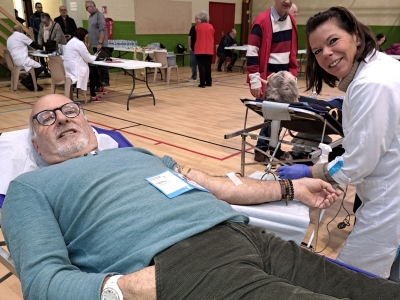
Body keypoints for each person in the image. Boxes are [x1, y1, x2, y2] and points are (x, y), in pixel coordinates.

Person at [4, 95, 400, 300]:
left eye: (70, 109)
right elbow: (42, 282)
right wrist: (130, 288)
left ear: (88, 122)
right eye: (45, 118)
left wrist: (291, 187)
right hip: (180, 263)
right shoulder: (30, 188)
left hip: (246, 236)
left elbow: (218, 185)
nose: (61, 118)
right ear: (37, 147)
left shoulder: (135, 154)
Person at [277, 6, 400, 279]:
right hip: (387, 187)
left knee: (353, 280)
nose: (326, 54)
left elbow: (359, 162)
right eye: (318, 51)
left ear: (356, 35)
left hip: (391, 199)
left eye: (333, 41)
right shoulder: (377, 69)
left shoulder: (373, 83)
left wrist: (311, 171)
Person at [246, 0, 298, 162]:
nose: (287, 1)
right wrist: (254, 80)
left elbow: (292, 51)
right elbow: (252, 52)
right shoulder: (261, 21)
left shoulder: (292, 21)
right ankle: (261, 149)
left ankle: (274, 148)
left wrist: (292, 77)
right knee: (270, 115)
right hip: (267, 79)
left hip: (285, 78)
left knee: (280, 116)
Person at [63, 27, 108, 103]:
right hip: (76, 70)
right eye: (86, 37)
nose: (86, 39)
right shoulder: (79, 44)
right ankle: (93, 95)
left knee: (93, 70)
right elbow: (88, 59)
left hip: (69, 70)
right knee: (94, 71)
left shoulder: (71, 41)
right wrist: (95, 56)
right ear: (82, 36)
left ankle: (99, 87)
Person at [6, 25, 44, 91]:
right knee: (41, 67)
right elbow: (34, 45)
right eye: (22, 29)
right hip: (22, 60)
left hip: (15, 62)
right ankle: (28, 81)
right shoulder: (21, 35)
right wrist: (42, 46)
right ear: (20, 29)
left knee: (35, 65)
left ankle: (30, 82)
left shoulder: (9, 38)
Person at [86, 1, 110, 87]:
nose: (86, 10)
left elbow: (102, 30)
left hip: (101, 44)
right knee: (98, 63)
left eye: (86, 8)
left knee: (102, 63)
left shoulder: (99, 15)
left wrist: (100, 42)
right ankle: (99, 80)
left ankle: (105, 80)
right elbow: (91, 31)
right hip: (94, 44)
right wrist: (90, 42)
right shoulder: (90, 17)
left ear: (91, 7)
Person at [194, 10, 214, 88]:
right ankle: (209, 82)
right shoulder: (211, 26)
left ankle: (202, 83)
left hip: (200, 49)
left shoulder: (197, 27)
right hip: (209, 49)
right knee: (208, 66)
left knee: (201, 66)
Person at [187, 14, 200, 82]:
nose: (197, 20)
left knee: (201, 64)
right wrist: (189, 47)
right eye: (196, 19)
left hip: (200, 49)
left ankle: (203, 78)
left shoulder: (202, 28)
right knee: (193, 63)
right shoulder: (193, 28)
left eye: (198, 19)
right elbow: (189, 37)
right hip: (193, 49)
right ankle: (194, 77)